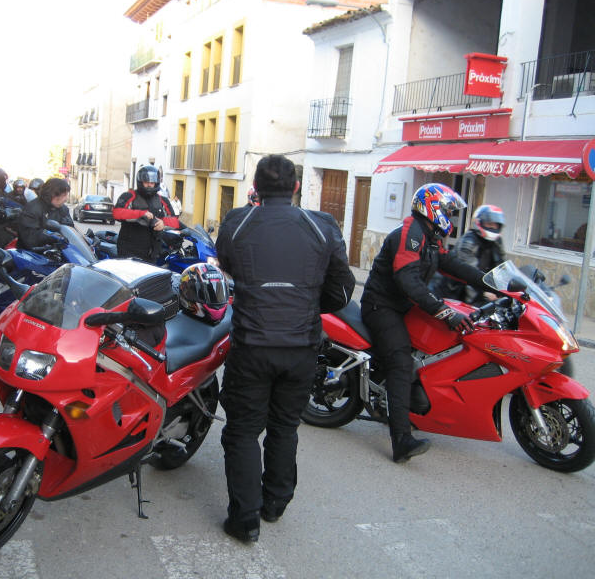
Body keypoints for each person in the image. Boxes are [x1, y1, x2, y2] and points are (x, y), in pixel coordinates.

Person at [216, 154, 356, 543]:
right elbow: (343, 289)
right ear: (296, 187)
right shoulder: (321, 225)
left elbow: (227, 264)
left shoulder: (237, 221)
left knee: (243, 430)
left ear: (256, 188)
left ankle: (245, 519)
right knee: (284, 426)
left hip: (252, 344)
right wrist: (306, 305)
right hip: (300, 346)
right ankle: (275, 503)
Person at [361, 183, 489, 464]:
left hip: (405, 305)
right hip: (382, 306)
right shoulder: (410, 233)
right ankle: (401, 440)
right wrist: (445, 312)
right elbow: (407, 280)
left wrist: (490, 281)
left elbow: (453, 265)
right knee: (400, 362)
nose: (450, 216)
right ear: (432, 208)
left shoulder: (430, 238)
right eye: (447, 210)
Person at [432, 204, 505, 305]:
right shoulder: (468, 241)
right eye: (489, 223)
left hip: (480, 289)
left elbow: (501, 266)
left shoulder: (496, 242)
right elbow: (469, 273)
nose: (493, 227)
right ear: (479, 222)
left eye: (495, 225)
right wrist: (484, 293)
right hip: (455, 293)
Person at [113, 165, 180, 262]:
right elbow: (117, 213)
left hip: (153, 251)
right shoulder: (128, 196)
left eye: (152, 183)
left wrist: (163, 223)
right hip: (129, 250)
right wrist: (140, 214)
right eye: (146, 182)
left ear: (156, 183)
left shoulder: (163, 200)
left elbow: (175, 221)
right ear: (140, 182)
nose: (149, 185)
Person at [17, 177, 74, 249]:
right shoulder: (32, 209)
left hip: (60, 251)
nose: (66, 199)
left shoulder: (63, 209)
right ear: (52, 194)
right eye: (64, 195)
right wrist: (52, 236)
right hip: (33, 252)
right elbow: (30, 237)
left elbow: (70, 230)